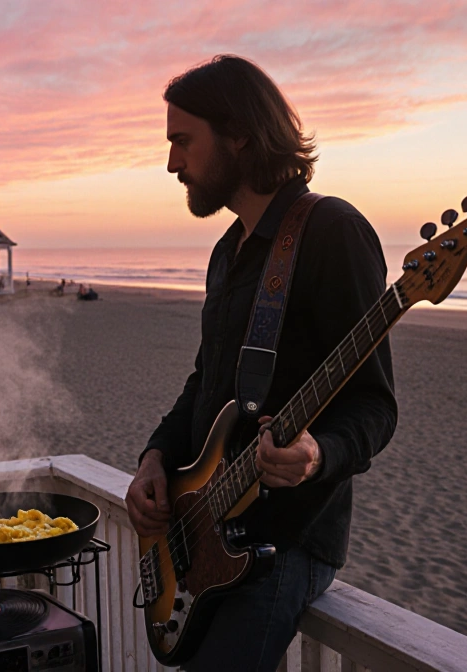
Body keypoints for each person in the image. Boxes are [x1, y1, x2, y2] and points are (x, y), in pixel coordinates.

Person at [124, 55, 397, 671]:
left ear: (239, 134)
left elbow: (375, 405)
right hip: (200, 529)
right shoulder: (228, 252)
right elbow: (205, 384)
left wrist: (316, 455)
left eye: (182, 142)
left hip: (286, 544)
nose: (172, 164)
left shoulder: (334, 232)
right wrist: (154, 460)